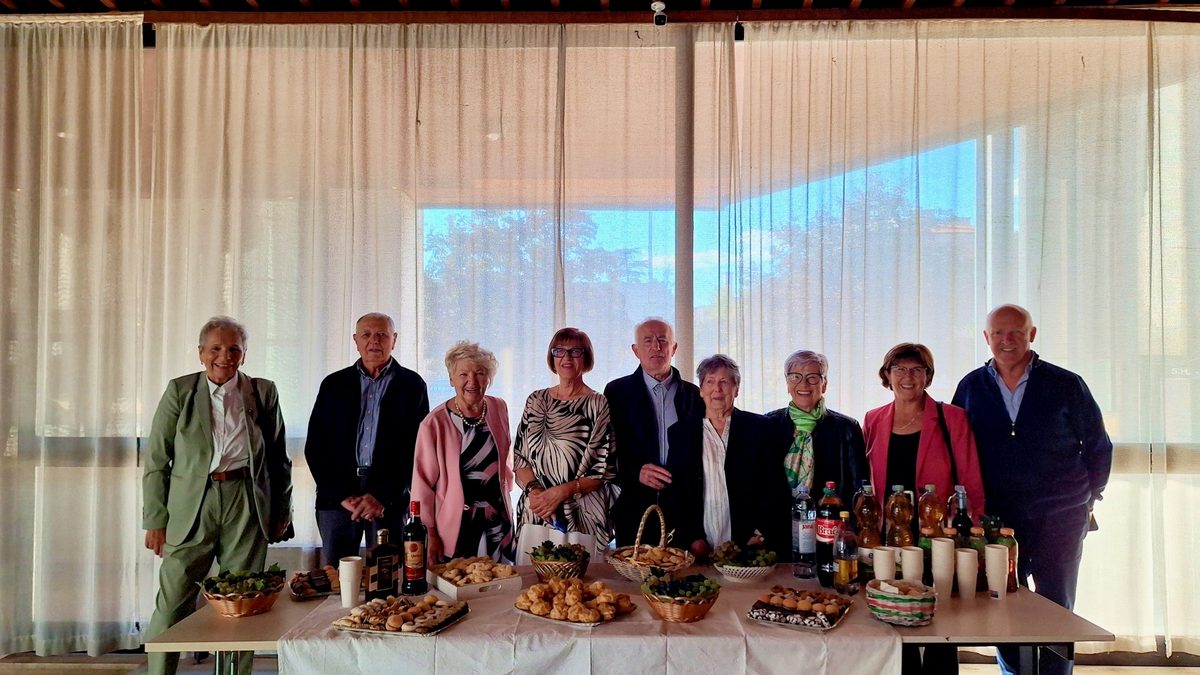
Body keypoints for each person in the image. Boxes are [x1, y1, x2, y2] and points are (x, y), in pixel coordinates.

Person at [952, 304, 1112, 675]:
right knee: (1003, 600)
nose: (1006, 340)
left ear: (1032, 335)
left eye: (1016, 332)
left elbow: (1098, 446)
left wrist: (1090, 496)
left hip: (1061, 515)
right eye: (998, 333)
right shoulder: (971, 386)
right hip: (997, 518)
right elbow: (958, 447)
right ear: (986, 337)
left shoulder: (1066, 384)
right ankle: (1015, 672)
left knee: (1057, 605)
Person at [142, 316, 293, 675]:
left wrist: (282, 510)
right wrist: (155, 520)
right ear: (201, 353)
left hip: (247, 501)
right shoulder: (180, 391)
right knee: (173, 600)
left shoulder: (262, 392)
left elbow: (278, 457)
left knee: (242, 601)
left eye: (234, 349)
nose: (225, 356)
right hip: (192, 505)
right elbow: (157, 460)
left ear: (244, 354)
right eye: (215, 349)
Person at [864, 342, 984, 675]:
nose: (908, 376)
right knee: (893, 616)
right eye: (899, 369)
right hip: (890, 538)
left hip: (937, 538)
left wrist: (971, 534)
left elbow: (971, 480)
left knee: (940, 622)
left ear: (928, 377)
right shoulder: (873, 419)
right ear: (887, 375)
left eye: (917, 369)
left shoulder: (952, 418)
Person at [304, 313, 429, 566]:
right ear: (356, 340)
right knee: (338, 575)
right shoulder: (333, 384)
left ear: (394, 340)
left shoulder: (412, 385)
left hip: (388, 497)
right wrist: (341, 495)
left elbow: (416, 449)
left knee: (387, 573)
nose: (374, 341)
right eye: (366, 335)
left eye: (382, 334)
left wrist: (381, 496)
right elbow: (316, 447)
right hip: (337, 498)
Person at [664, 354, 791, 559]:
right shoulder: (681, 433)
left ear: (736, 389)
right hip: (698, 547)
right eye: (710, 381)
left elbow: (774, 486)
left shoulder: (761, 428)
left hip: (749, 546)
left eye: (724, 382)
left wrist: (760, 534)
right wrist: (691, 538)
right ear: (701, 389)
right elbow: (675, 493)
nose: (717, 389)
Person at [512, 328, 617, 554]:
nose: (566, 357)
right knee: (532, 575)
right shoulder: (535, 400)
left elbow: (602, 470)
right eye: (559, 351)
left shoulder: (597, 404)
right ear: (552, 357)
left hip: (581, 516)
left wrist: (559, 493)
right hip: (537, 512)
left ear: (586, 357)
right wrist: (536, 493)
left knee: (581, 577)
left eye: (575, 351)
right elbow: (520, 459)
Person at [411, 341, 516, 565]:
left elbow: (504, 461)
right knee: (460, 583)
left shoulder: (499, 408)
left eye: (480, 373)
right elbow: (422, 485)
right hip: (457, 528)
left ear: (488, 378)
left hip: (498, 523)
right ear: (451, 379)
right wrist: (429, 532)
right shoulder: (434, 423)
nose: (472, 381)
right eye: (463, 374)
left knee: (501, 582)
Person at [604, 317, 704, 545]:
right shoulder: (616, 392)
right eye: (648, 341)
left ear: (674, 348)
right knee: (632, 567)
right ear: (636, 350)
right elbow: (605, 450)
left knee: (681, 567)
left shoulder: (694, 395)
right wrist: (634, 471)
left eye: (662, 340)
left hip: (683, 509)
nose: (656, 347)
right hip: (633, 507)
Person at [764, 350, 869, 508]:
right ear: (787, 383)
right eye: (795, 377)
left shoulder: (847, 427)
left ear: (824, 384)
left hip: (830, 517)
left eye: (812, 377)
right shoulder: (767, 425)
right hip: (777, 518)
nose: (804, 384)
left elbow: (860, 487)